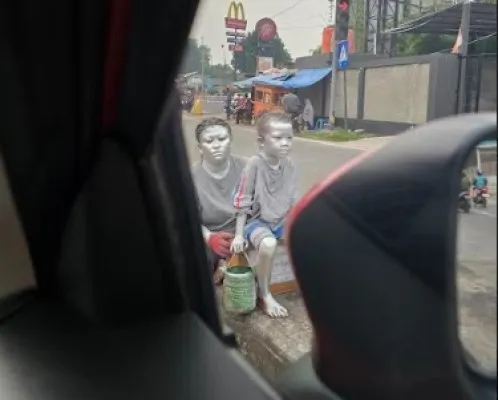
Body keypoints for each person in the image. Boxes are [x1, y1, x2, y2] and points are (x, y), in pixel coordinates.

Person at [231, 112, 298, 318]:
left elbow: (293, 199)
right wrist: (239, 235)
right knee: (268, 244)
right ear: (261, 141)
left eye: (289, 138)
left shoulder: (290, 165)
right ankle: (265, 294)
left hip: (280, 220)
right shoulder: (255, 164)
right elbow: (243, 199)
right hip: (257, 222)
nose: (285, 143)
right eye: (278, 138)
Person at [191, 118, 247, 283]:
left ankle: (228, 263)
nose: (216, 145)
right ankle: (221, 262)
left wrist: (241, 234)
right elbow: (187, 218)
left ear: (230, 141)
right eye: (209, 141)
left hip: (244, 233)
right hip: (211, 235)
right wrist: (209, 238)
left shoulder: (248, 168)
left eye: (222, 139)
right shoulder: (190, 177)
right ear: (200, 147)